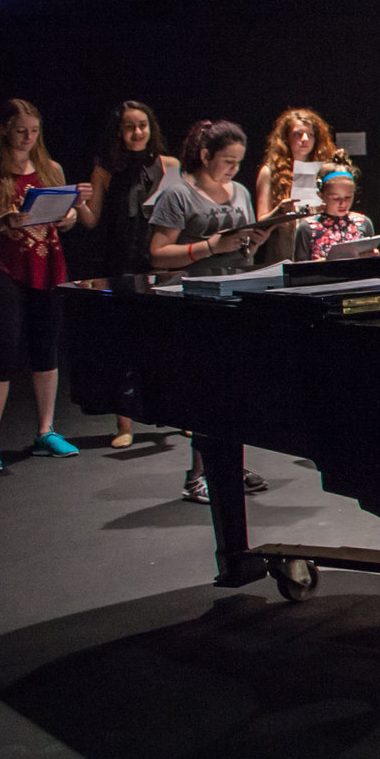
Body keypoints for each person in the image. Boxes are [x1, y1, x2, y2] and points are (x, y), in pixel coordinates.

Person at [149, 120, 267, 504]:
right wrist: (209, 247)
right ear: (205, 156)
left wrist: (255, 241)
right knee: (206, 388)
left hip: (235, 296)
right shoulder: (179, 194)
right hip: (195, 301)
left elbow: (244, 250)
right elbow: (157, 253)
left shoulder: (241, 192)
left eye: (238, 162)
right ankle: (198, 474)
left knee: (238, 385)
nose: (233, 169)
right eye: (227, 161)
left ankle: (229, 462)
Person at [0, 100, 82, 471]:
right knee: (3, 344)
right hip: (7, 267)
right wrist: (6, 220)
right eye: (21, 131)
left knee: (46, 344)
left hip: (47, 264)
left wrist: (70, 217)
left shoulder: (50, 169)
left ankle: (46, 430)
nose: (28, 138)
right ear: (4, 130)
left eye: (34, 131)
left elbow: (64, 213)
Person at [76, 100, 176, 446]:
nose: (138, 133)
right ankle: (125, 424)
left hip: (161, 260)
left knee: (167, 342)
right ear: (119, 131)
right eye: (130, 127)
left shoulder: (169, 164)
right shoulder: (105, 169)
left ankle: (180, 413)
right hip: (120, 260)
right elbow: (91, 220)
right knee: (122, 343)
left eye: (143, 126)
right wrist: (78, 202)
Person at [250, 108, 337, 265]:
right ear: (286, 138)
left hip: (320, 250)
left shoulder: (326, 169)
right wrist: (280, 212)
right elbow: (261, 221)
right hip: (285, 253)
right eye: (298, 134)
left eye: (310, 135)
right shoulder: (270, 172)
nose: (305, 139)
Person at [294, 165, 376, 261]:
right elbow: (299, 269)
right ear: (321, 195)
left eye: (348, 197)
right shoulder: (308, 227)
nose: (343, 203)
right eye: (336, 198)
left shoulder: (363, 223)